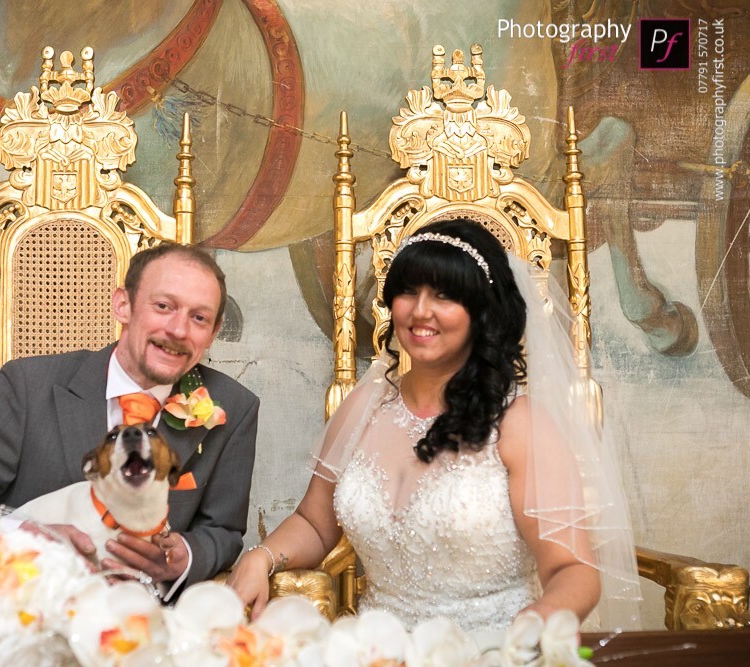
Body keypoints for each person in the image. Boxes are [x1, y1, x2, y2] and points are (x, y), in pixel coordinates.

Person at [227, 218, 640, 631]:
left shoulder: (518, 424)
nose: (420, 310)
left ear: (482, 311)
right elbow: (315, 525)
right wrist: (261, 557)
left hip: (489, 651)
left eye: (444, 295)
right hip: (377, 650)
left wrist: (532, 628)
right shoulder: (363, 407)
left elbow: (573, 571)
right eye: (409, 291)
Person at [0, 243, 260, 595]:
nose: (178, 330)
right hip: (31, 616)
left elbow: (223, 531)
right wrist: (24, 538)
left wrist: (186, 555)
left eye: (199, 318)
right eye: (163, 306)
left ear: (212, 332)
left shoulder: (233, 408)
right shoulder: (30, 386)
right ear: (123, 305)